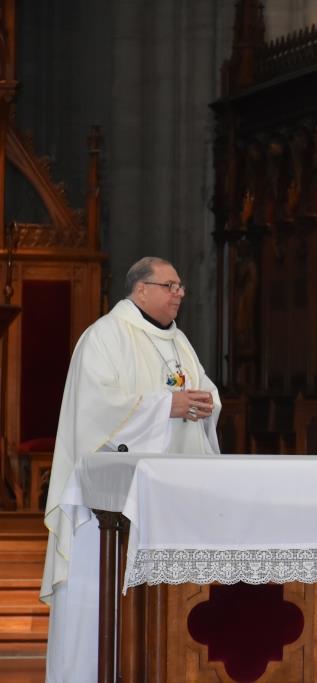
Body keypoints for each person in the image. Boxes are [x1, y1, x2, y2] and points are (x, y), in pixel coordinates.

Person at [41, 256, 221, 681]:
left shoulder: (179, 343)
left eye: (180, 286)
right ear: (141, 290)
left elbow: (203, 389)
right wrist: (166, 407)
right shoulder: (103, 337)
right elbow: (95, 410)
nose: (179, 293)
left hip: (170, 499)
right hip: (106, 508)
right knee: (98, 605)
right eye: (170, 285)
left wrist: (207, 404)